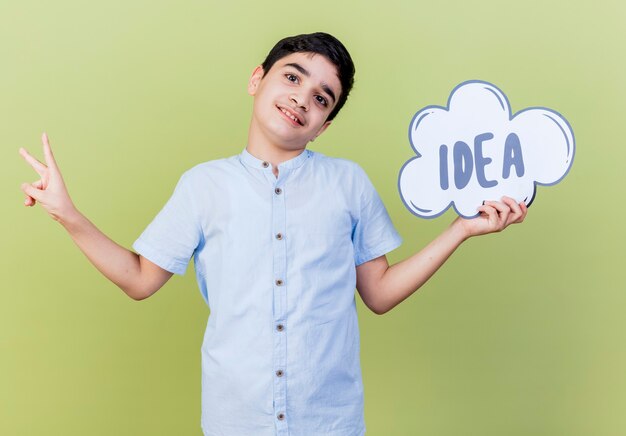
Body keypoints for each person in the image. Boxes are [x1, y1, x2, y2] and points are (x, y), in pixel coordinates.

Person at [19, 32, 527, 436]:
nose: (301, 99)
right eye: (292, 77)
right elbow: (139, 278)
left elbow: (378, 293)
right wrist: (68, 213)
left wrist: (460, 230)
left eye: (321, 99)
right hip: (235, 421)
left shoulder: (348, 183)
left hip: (329, 422)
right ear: (257, 79)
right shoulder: (203, 186)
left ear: (323, 125)